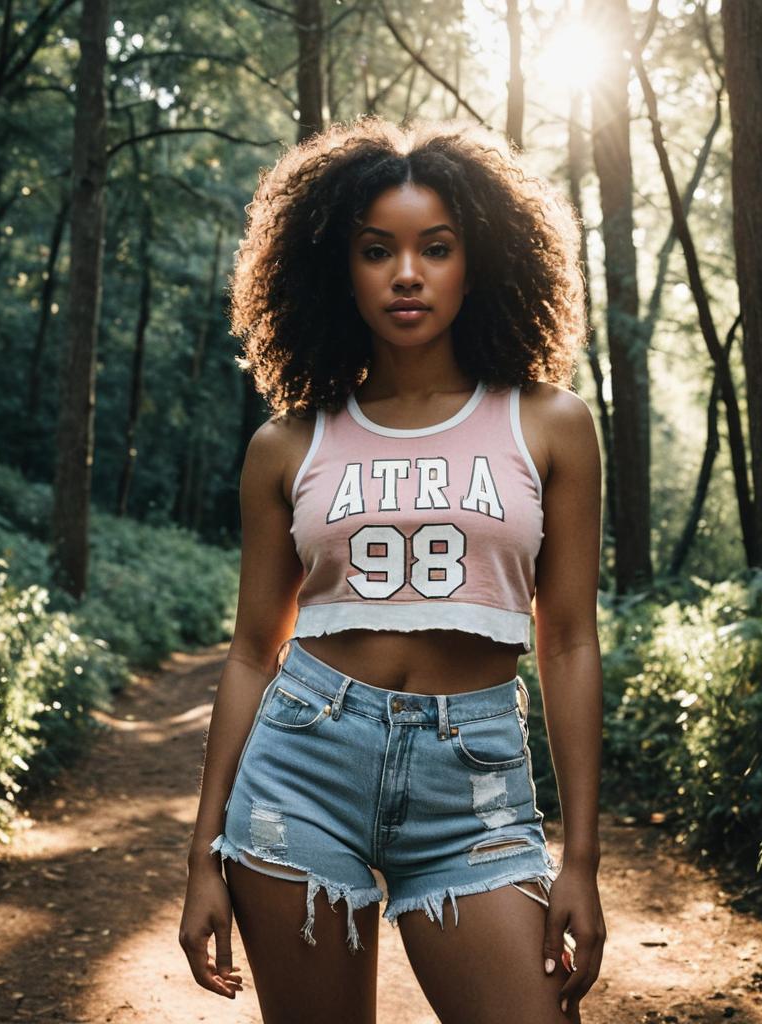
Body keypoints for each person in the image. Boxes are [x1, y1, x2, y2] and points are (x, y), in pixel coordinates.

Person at [179, 115, 606, 1023]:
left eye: (435, 248)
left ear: (477, 259)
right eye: (378, 251)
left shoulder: (549, 424)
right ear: (340, 269)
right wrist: (202, 853)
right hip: (302, 765)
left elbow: (566, 640)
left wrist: (581, 859)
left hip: (477, 782)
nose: (407, 274)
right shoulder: (286, 445)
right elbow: (255, 648)